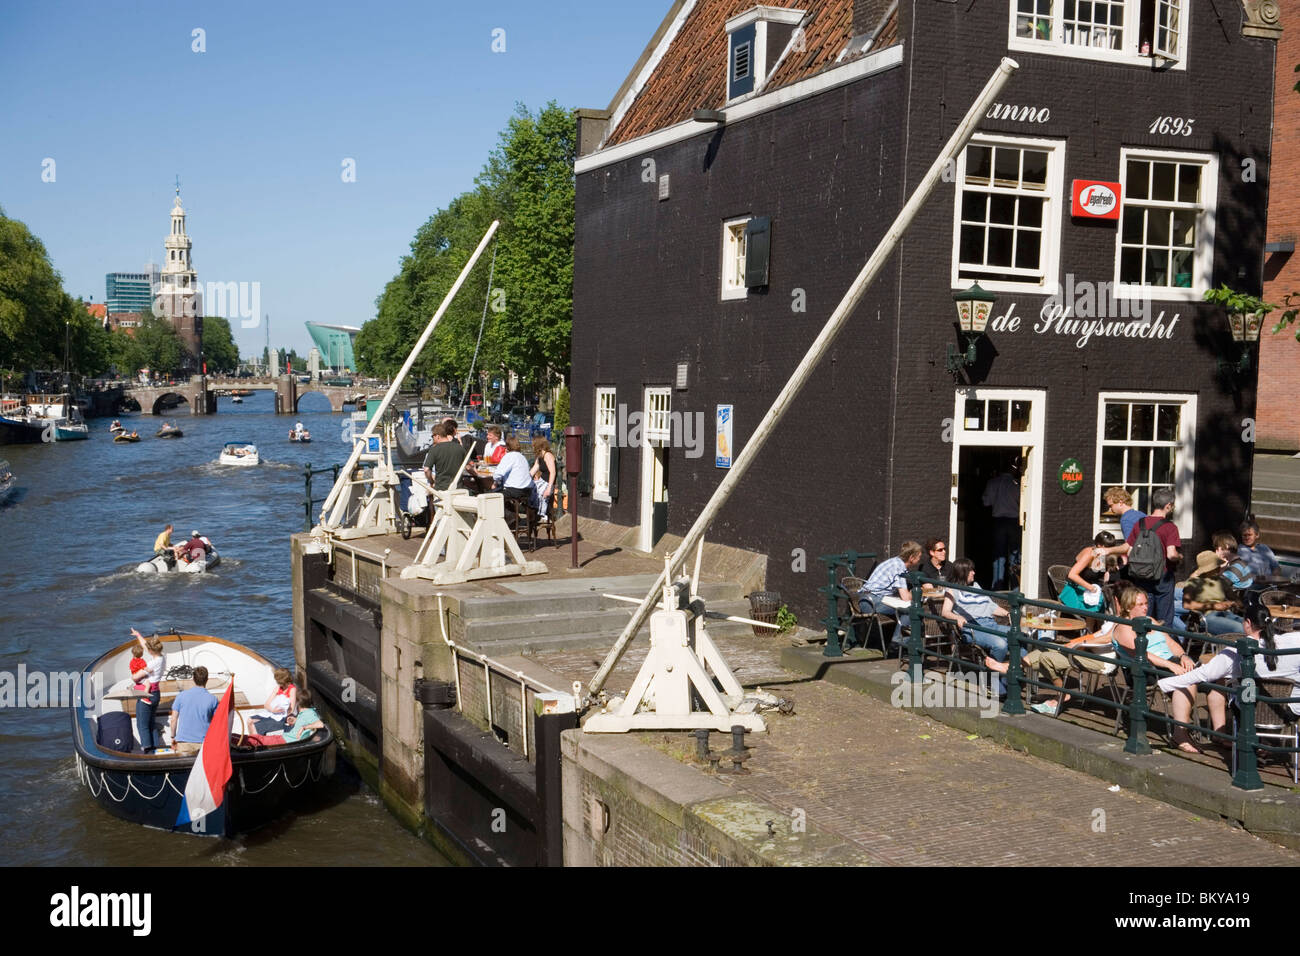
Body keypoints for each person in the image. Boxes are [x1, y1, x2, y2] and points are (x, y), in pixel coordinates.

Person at [1157, 597, 1300, 754]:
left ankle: (1233, 737)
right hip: (1289, 710)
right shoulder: (1295, 640)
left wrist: (1164, 684)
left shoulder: (1234, 653)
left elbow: (1201, 675)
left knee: (1229, 683)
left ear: (1247, 624)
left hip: (1252, 711)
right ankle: (1264, 741)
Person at [1110, 587, 1195, 694]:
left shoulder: (1151, 620)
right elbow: (1140, 654)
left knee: (1208, 677)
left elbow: (1171, 643)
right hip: (1146, 670)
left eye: (1146, 603)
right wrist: (1170, 665)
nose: (1145, 607)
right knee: (1189, 681)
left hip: (1169, 663)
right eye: (1140, 604)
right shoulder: (1123, 627)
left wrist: (1183, 656)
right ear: (1128, 607)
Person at [941, 557, 1013, 669]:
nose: (974, 573)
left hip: (991, 624)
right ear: (962, 573)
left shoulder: (976, 586)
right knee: (1000, 644)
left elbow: (991, 607)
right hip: (972, 628)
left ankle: (1017, 673)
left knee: (1020, 637)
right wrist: (957, 617)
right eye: (971, 570)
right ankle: (995, 676)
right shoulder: (953, 589)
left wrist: (1008, 614)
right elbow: (945, 612)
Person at [1125, 488, 1182, 625]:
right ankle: (1162, 643)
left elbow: (1129, 552)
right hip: (1162, 577)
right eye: (1172, 506)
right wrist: (1180, 557)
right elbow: (1171, 554)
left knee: (1144, 615)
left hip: (1141, 575)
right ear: (1168, 506)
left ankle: (1142, 644)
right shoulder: (1170, 527)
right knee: (1164, 619)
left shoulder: (1139, 523)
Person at [856, 541, 924, 638]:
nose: (920, 560)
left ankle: (898, 642)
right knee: (911, 610)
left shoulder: (895, 561)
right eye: (919, 557)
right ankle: (896, 644)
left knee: (907, 608)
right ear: (911, 558)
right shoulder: (899, 567)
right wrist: (919, 591)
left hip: (867, 598)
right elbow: (905, 597)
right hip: (871, 602)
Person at [1060, 531, 1123, 612]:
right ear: (1100, 546)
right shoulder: (1089, 554)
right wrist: (1090, 588)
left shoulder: (1101, 555)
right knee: (1100, 602)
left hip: (1091, 589)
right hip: (1076, 590)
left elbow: (1097, 574)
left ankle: (1095, 624)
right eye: (1108, 548)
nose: (1110, 551)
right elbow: (1072, 575)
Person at [982, 457, 1021, 589]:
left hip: (998, 521)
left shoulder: (992, 483)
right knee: (1014, 558)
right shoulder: (1017, 484)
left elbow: (986, 502)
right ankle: (1015, 589)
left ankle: (997, 589)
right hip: (1014, 521)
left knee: (999, 557)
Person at [169, 666, 219, 756]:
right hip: (204, 743)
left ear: (193, 679)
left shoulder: (181, 696)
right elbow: (217, 724)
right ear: (207, 679)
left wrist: (173, 737)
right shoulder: (213, 699)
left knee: (183, 769)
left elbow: (173, 719)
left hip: (183, 743)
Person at [247, 688, 325, 746]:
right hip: (285, 737)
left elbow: (320, 724)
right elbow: (305, 720)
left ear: (298, 703)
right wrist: (295, 720)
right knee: (261, 739)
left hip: (287, 740)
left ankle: (242, 742)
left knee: (259, 740)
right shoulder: (303, 713)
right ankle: (242, 740)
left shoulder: (309, 713)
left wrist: (304, 728)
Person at [130, 629, 166, 752]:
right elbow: (146, 647)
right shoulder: (161, 657)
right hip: (156, 694)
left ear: (151, 651)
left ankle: (147, 750)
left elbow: (135, 677)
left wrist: (134, 675)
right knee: (151, 722)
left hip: (147, 695)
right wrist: (138, 635)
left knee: (142, 725)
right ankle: (155, 747)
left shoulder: (151, 663)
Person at [423, 422, 468, 493]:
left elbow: (426, 469)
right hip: (458, 489)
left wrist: (431, 481)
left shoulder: (434, 449)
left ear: (437, 436)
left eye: (432, 436)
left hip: (441, 489)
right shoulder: (459, 447)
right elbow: (468, 466)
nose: (432, 438)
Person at [253, 667, 298, 734]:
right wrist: (273, 710)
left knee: (257, 725)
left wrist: (276, 714)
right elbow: (266, 705)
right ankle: (253, 741)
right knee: (250, 720)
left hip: (284, 716)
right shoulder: (278, 688)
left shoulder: (292, 689)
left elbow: (290, 710)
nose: (277, 683)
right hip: (274, 712)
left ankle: (258, 741)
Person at [493, 436, 533, 503]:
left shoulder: (509, 456)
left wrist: (495, 482)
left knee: (488, 497)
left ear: (507, 447)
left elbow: (497, 474)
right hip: (527, 490)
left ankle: (507, 513)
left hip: (515, 490)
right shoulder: (522, 457)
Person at [530, 436, 557, 519]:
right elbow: (533, 470)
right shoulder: (539, 457)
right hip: (541, 481)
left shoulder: (548, 455)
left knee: (540, 495)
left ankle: (541, 514)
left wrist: (549, 489)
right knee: (529, 490)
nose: (532, 446)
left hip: (548, 482)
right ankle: (532, 514)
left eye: (533, 445)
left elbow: (553, 472)